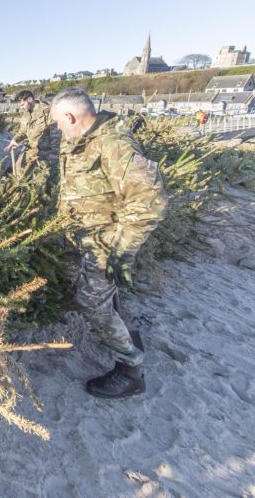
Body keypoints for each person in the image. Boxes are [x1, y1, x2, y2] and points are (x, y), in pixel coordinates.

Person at [51, 87, 168, 399]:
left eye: (58, 122)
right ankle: (127, 334)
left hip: (106, 244)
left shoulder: (113, 144)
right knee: (103, 297)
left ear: (70, 116)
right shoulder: (79, 140)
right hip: (86, 238)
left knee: (90, 302)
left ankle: (130, 369)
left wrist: (121, 251)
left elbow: (150, 200)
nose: (58, 128)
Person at [6, 90, 61, 172]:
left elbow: (55, 133)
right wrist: (15, 140)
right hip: (32, 151)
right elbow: (22, 132)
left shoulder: (47, 111)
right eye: (20, 106)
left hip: (47, 152)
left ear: (30, 99)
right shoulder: (26, 115)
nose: (21, 108)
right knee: (19, 170)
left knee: (46, 177)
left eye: (22, 105)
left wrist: (55, 153)